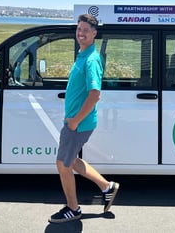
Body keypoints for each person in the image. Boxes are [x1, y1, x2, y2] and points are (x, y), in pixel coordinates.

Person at [49, 13, 119, 224]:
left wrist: (75, 121)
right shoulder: (83, 55)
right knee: (70, 160)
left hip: (78, 124)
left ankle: (73, 208)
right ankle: (107, 187)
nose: (81, 33)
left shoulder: (91, 60)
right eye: (79, 29)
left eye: (85, 31)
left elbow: (95, 94)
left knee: (62, 164)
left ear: (94, 34)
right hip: (76, 122)